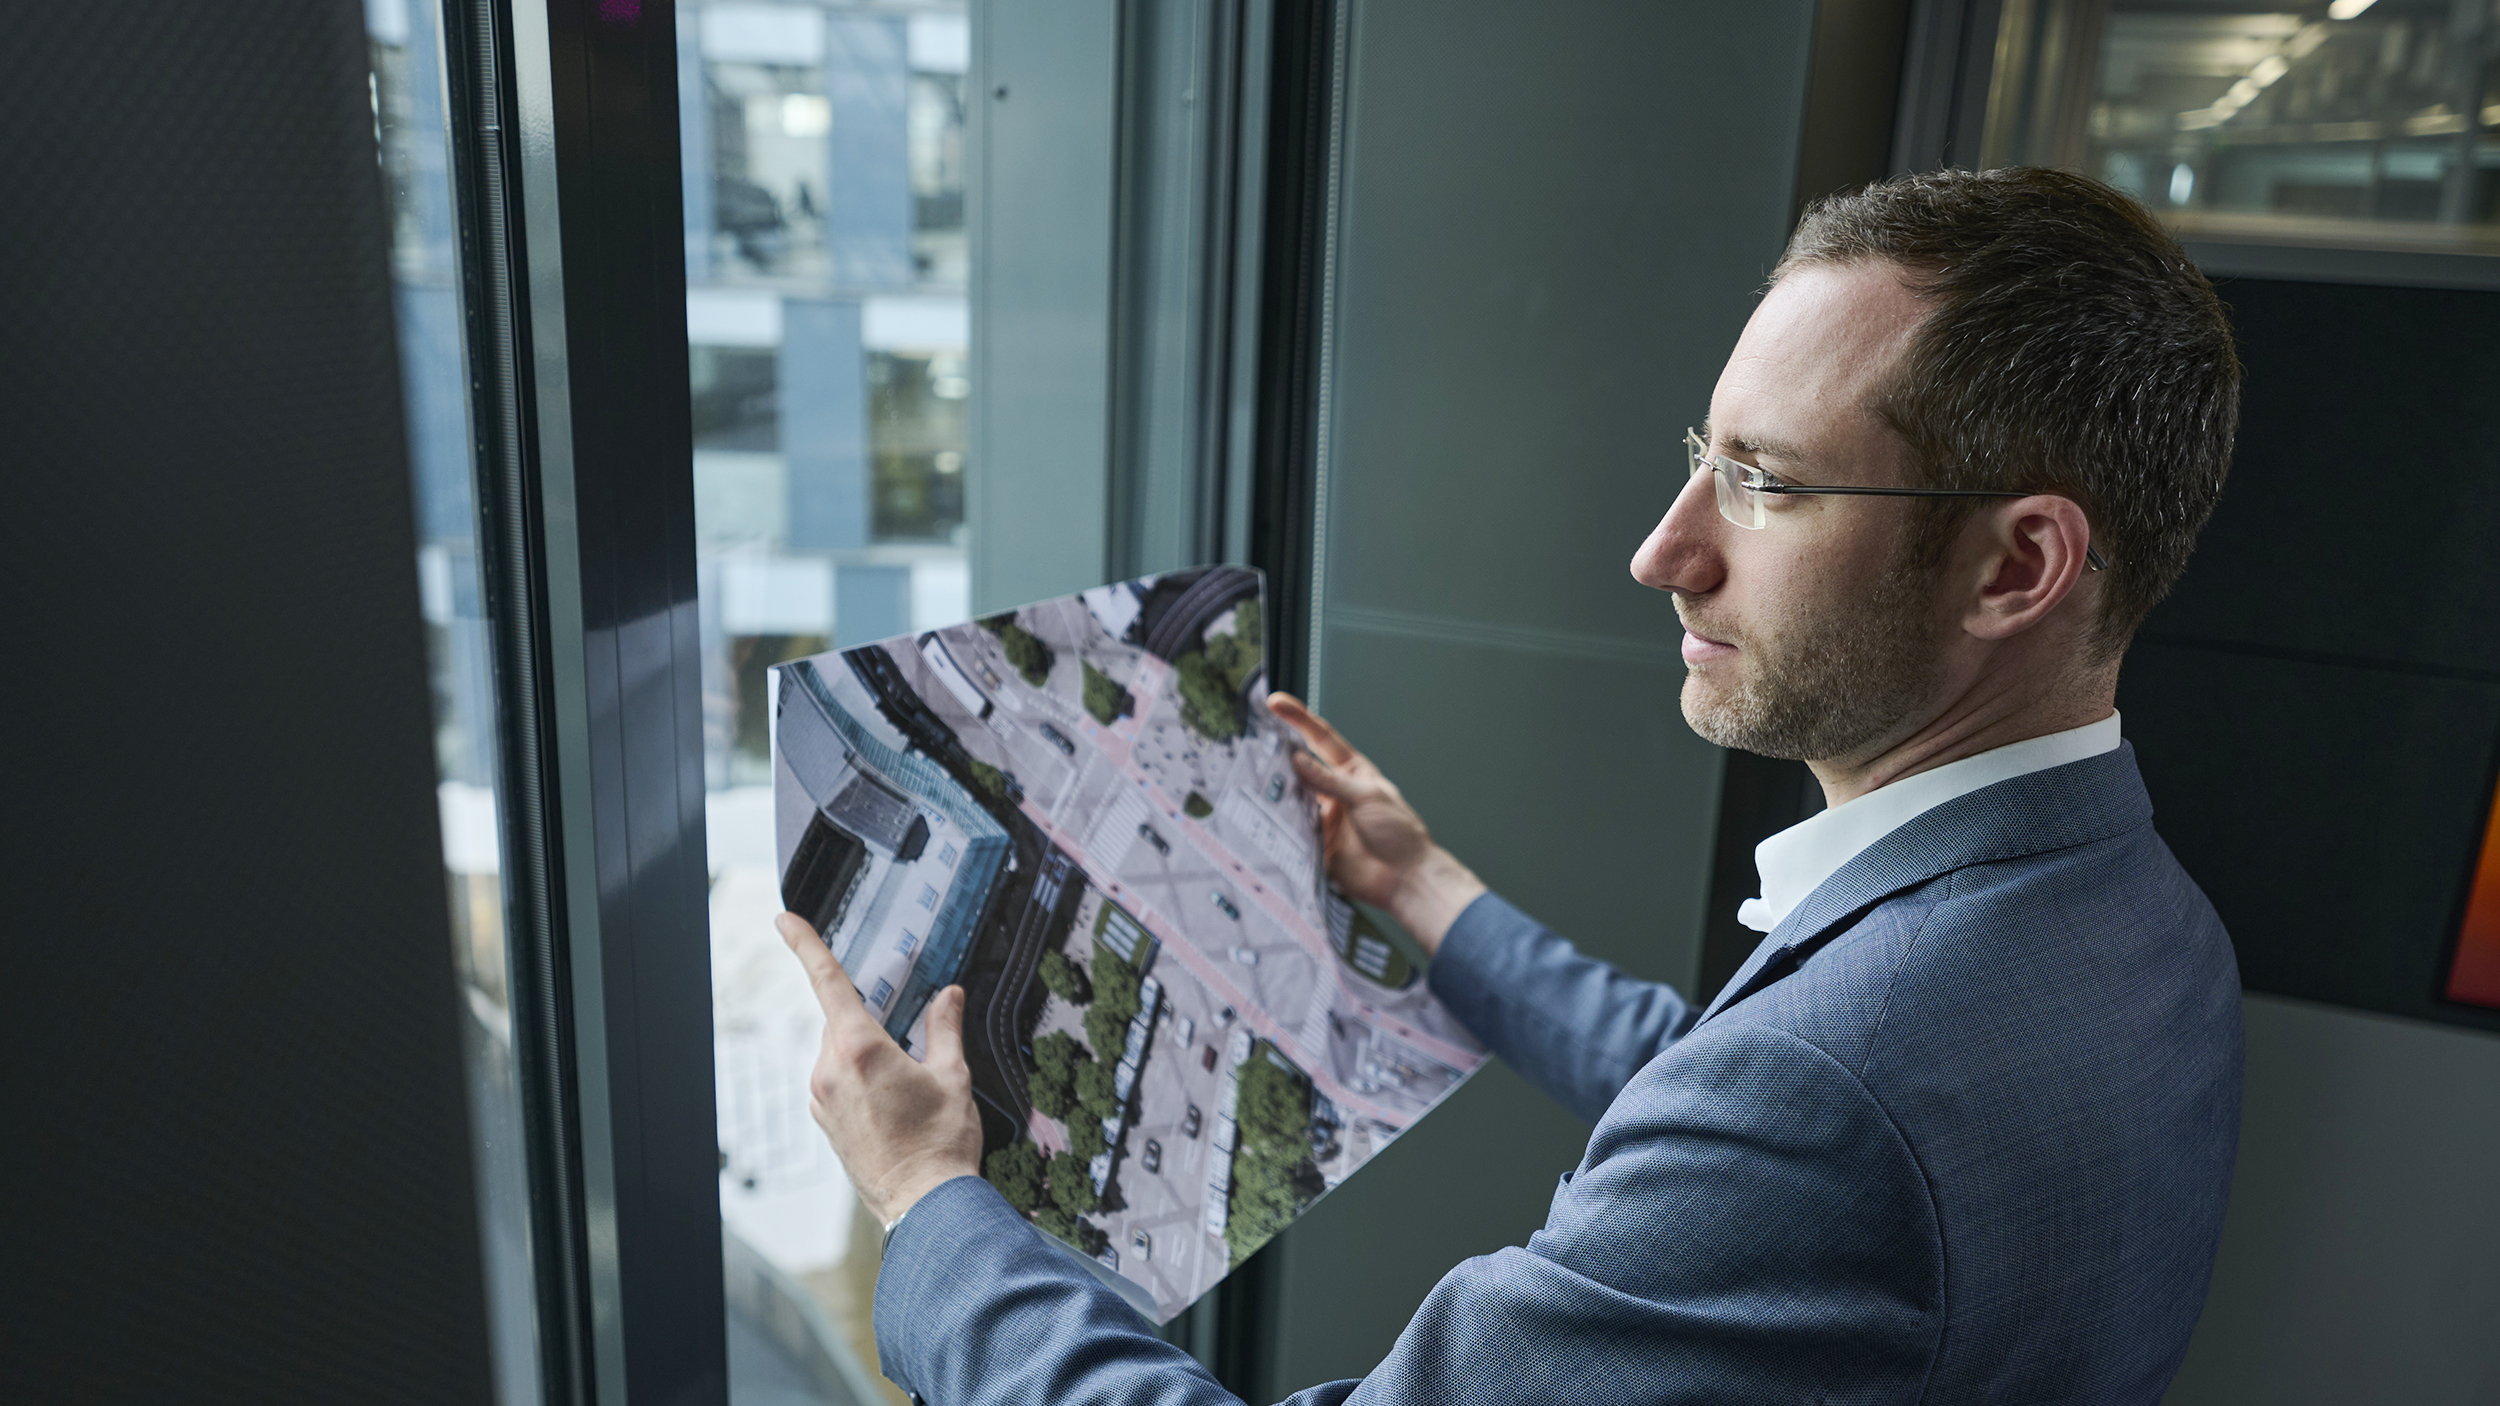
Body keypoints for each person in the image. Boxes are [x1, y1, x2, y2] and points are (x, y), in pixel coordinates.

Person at [778, 167, 2245, 1405]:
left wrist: (931, 1202)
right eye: (1705, 454)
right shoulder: (2148, 927)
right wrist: (1422, 887)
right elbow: (1736, 1086)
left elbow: (1792, 1114)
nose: (1665, 552)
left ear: (2016, 566)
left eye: (1768, 481)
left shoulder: (1832, 1098)